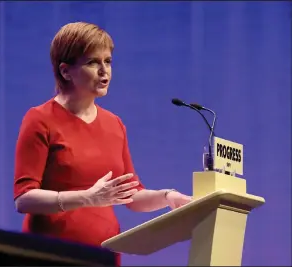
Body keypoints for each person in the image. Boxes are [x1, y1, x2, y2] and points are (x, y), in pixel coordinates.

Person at [13, 22, 192, 265]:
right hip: (50, 253)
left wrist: (167, 197)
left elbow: (131, 195)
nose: (104, 71)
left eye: (107, 61)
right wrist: (86, 197)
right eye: (92, 62)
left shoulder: (114, 124)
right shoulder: (40, 119)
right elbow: (24, 199)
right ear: (65, 71)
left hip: (102, 256)